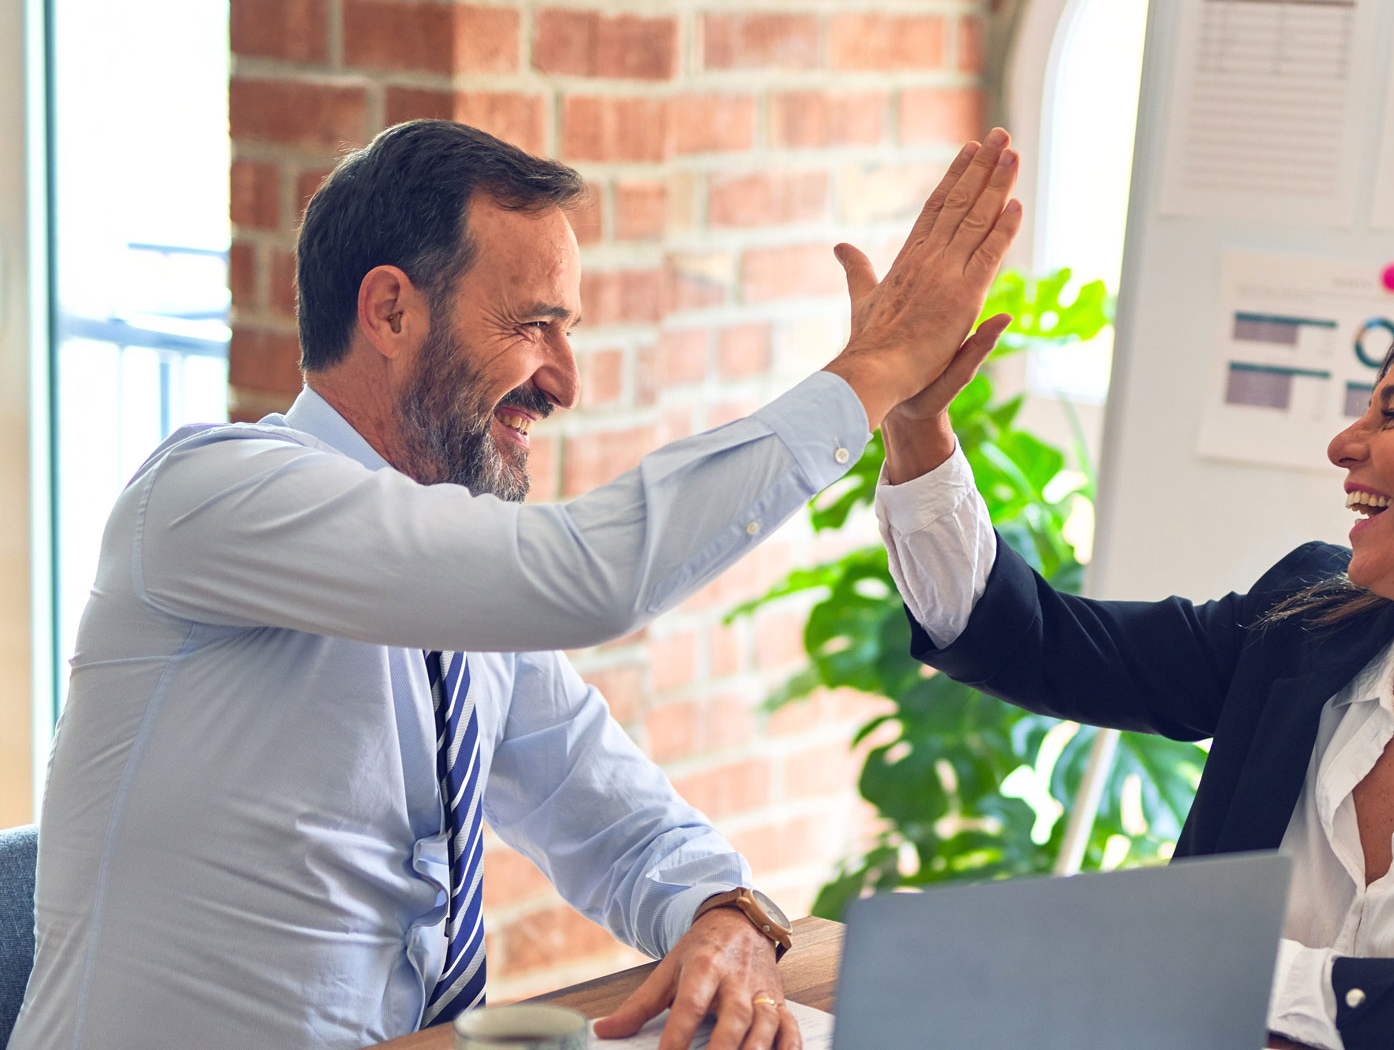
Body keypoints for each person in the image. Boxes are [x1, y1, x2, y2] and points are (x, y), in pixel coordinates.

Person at [14, 118, 1023, 1050]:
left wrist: (726, 915)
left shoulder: (461, 603)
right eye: (534, 324)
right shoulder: (211, 498)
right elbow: (593, 576)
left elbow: (618, 821)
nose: (565, 380)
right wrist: (876, 371)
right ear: (391, 310)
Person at [870, 285, 1394, 1050]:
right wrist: (916, 427)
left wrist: (1223, 977)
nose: (1344, 444)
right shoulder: (1303, 624)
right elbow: (1037, 642)